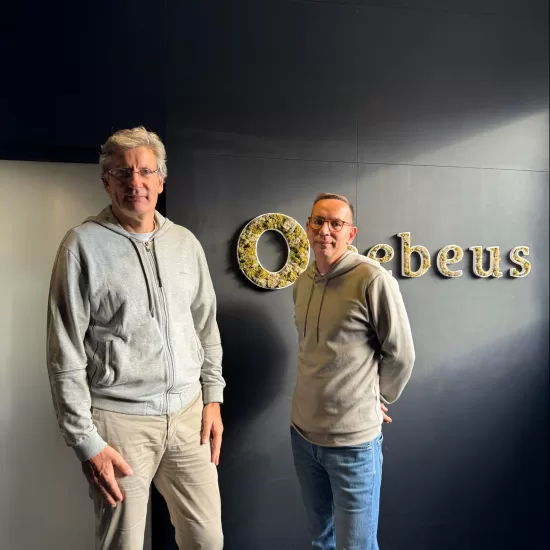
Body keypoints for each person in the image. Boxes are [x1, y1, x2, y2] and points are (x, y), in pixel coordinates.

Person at [46, 126, 225, 550]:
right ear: (106, 181)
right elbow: (64, 353)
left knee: (207, 541)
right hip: (119, 424)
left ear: (161, 180)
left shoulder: (185, 243)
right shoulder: (81, 246)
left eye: (145, 171)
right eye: (122, 172)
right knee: (122, 544)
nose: (135, 182)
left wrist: (213, 396)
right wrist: (86, 440)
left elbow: (206, 325)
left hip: (189, 416)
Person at [290, 192, 415, 550]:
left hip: (353, 445)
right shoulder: (302, 282)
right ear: (308, 227)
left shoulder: (372, 279)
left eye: (336, 223)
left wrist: (378, 397)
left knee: (356, 546)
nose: (325, 230)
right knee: (321, 541)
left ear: (351, 232)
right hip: (303, 437)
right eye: (318, 221)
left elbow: (401, 353)